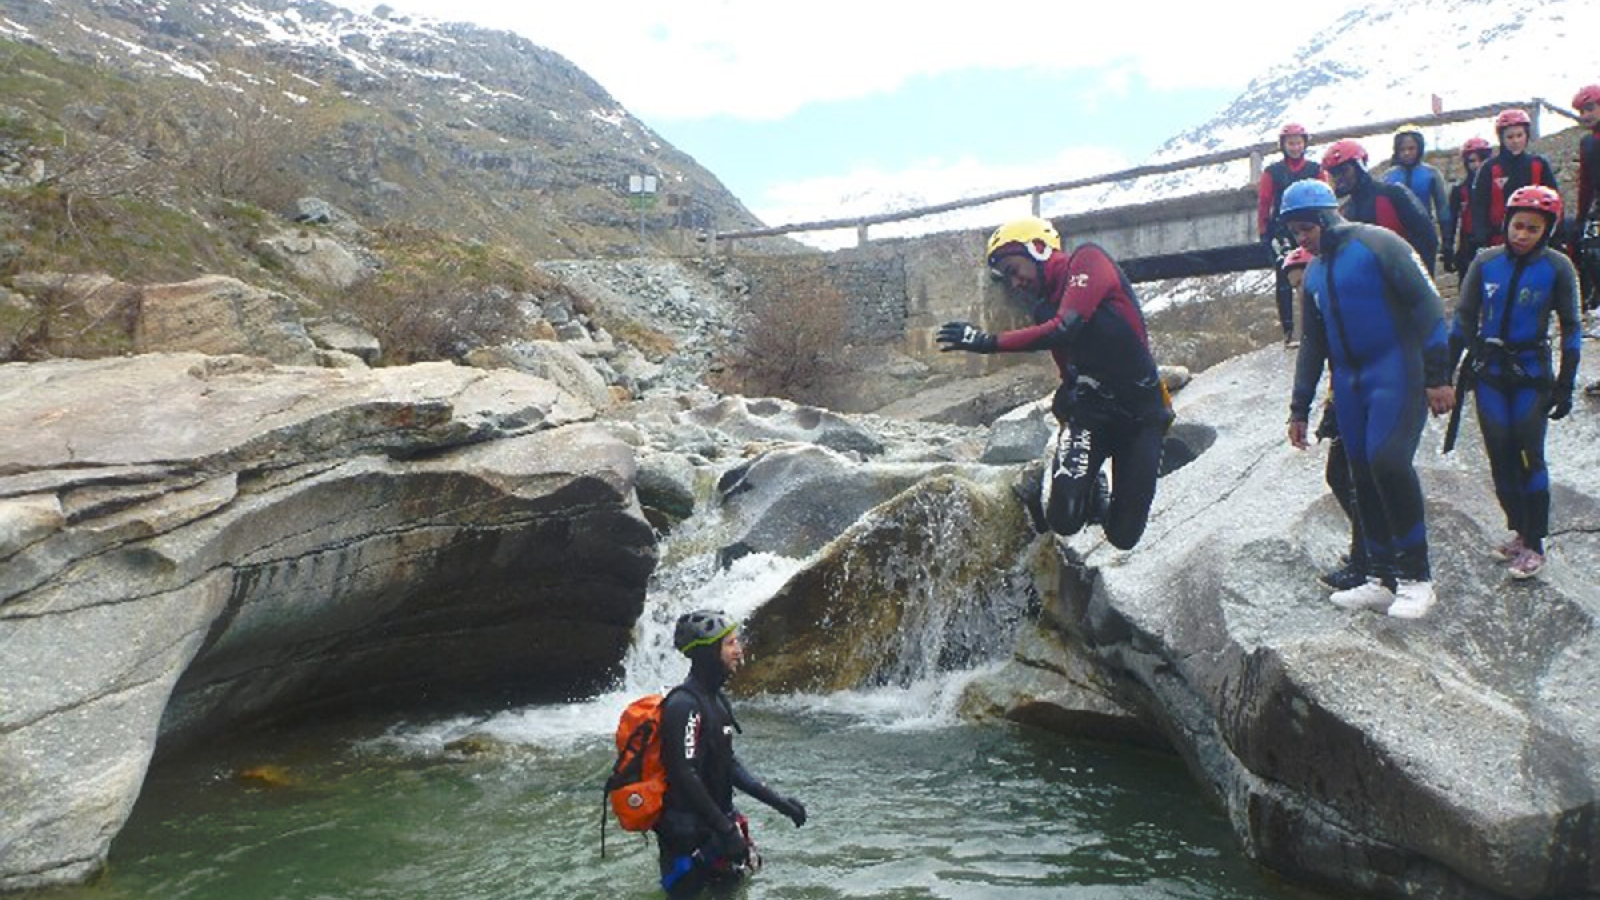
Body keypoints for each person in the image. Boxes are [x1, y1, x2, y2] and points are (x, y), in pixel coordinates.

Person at [937, 216, 1170, 550]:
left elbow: (1067, 327)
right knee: (1064, 519)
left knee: (1123, 537)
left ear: (1040, 249)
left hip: (1143, 416)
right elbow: (1069, 369)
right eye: (1006, 278)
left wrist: (988, 341)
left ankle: (1096, 487)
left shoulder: (1089, 260)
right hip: (1095, 413)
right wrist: (1070, 414)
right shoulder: (1044, 309)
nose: (1014, 283)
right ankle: (1089, 482)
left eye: (1015, 270)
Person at [1282, 180, 1455, 618]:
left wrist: (1438, 376)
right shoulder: (1316, 271)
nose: (1301, 238)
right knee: (1361, 474)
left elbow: (1430, 307)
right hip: (1353, 386)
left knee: (1389, 463)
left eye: (1305, 228)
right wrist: (1299, 408)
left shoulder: (1380, 244)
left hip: (1396, 372)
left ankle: (1418, 579)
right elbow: (1312, 346)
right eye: (1294, 231)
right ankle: (1381, 577)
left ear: (1325, 217)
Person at [1448, 186, 1581, 579]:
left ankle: (1536, 543)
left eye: (1532, 229)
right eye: (1517, 225)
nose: (1522, 234)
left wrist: (1566, 383)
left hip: (1531, 375)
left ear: (1547, 231)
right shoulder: (1485, 262)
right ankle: (1520, 530)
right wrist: (1442, 374)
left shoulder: (1557, 267)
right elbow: (1464, 319)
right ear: (1505, 223)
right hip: (1489, 372)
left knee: (1529, 457)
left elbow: (1571, 327)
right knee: (1500, 457)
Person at [655, 610, 807, 898]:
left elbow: (728, 766)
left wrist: (778, 802)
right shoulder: (683, 705)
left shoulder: (717, 701)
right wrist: (725, 829)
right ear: (708, 652)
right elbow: (683, 773)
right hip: (687, 836)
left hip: (718, 827)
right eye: (730, 644)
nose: (739, 651)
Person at [1284, 245, 1369, 591]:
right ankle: (1371, 545)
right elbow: (1314, 355)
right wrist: (1301, 409)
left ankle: (1369, 557)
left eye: (1303, 283)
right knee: (1338, 475)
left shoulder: (1347, 304)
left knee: (1357, 479)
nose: (1301, 292)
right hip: (1344, 397)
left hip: (1367, 394)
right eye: (1294, 287)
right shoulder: (1322, 314)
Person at [1322, 138, 1439, 274]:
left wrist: (1422, 279)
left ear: (1360, 167)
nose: (1339, 178)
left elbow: (1427, 238)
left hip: (1406, 278)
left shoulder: (1394, 194)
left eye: (1344, 171)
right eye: (1334, 174)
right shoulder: (1345, 212)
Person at [1257, 123, 1325, 345]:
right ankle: (1289, 331)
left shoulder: (1315, 169)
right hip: (1283, 229)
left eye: (1298, 143)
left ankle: (1319, 323)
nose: (1295, 147)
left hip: (1311, 225)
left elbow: (1325, 197)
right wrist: (1263, 230)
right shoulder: (1272, 172)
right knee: (1284, 274)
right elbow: (1265, 202)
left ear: (1304, 144)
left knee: (1317, 269)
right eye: (1290, 143)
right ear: (1283, 146)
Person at [1469, 108, 1559, 253]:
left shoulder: (1539, 164)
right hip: (1498, 239)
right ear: (1502, 139)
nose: (1516, 141)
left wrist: (1555, 235)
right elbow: (1479, 206)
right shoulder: (1490, 168)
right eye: (1510, 137)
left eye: (1519, 135)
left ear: (1527, 136)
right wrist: (1481, 238)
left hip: (1536, 238)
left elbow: (1554, 200)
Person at [1383, 125, 1450, 242]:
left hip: (1424, 235)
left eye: (1411, 148)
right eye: (1402, 149)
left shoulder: (1431, 174)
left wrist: (1447, 241)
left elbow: (1443, 209)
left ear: (1420, 148)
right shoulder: (1388, 176)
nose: (1407, 153)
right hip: (1396, 237)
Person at [1442, 137, 1493, 275]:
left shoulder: (1496, 186)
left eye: (1482, 160)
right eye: (1472, 161)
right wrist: (1448, 248)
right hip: (1467, 244)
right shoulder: (1460, 189)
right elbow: (1452, 221)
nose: (1477, 165)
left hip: (1493, 239)